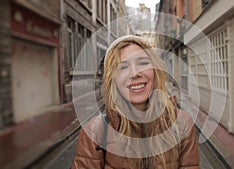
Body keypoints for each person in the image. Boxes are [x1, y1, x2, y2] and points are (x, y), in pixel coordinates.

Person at [71, 35, 200, 169]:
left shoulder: (181, 123)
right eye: (122, 67)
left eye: (143, 63)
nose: (135, 73)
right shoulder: (95, 133)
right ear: (112, 79)